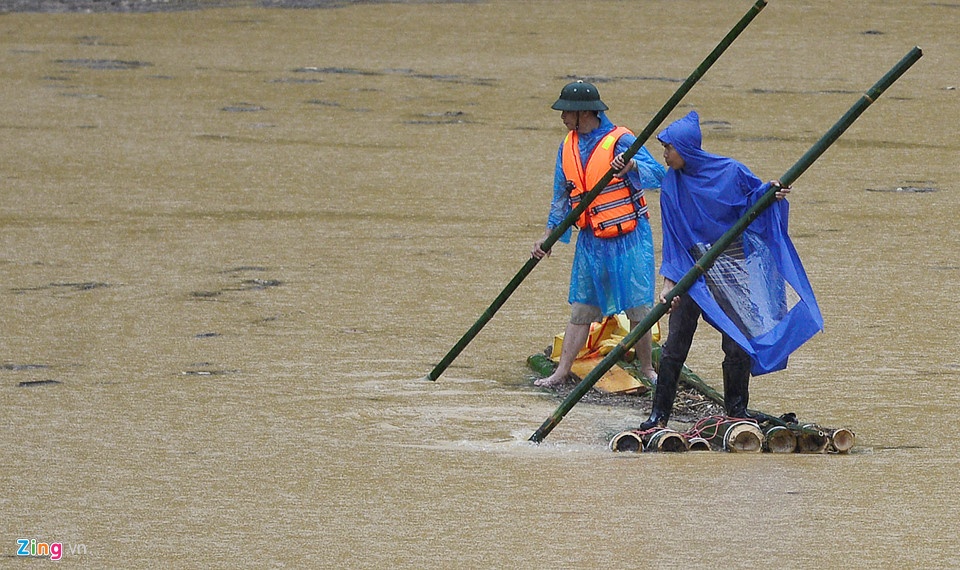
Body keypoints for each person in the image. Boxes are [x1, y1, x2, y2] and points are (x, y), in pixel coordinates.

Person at [638, 110, 824, 429]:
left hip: (730, 266)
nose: (665, 156)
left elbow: (756, 200)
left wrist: (772, 194)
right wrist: (668, 284)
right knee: (675, 344)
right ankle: (660, 415)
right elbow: (672, 238)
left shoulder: (730, 172)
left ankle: (737, 409)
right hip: (690, 270)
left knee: (737, 341)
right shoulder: (671, 185)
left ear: (686, 149)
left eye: (669, 149)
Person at [532, 80, 665, 388]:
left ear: (584, 113)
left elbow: (659, 175)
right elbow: (560, 197)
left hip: (629, 238)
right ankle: (562, 372)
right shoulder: (567, 145)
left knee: (639, 307)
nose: (563, 118)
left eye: (567, 112)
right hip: (591, 241)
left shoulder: (622, 139)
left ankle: (647, 369)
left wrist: (631, 165)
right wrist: (548, 235)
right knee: (582, 308)